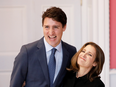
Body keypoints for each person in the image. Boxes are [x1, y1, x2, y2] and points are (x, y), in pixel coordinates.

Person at [10, 6, 77, 87]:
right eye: (47, 27)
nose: (51, 32)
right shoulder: (27, 52)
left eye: (55, 27)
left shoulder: (71, 51)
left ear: (64, 27)